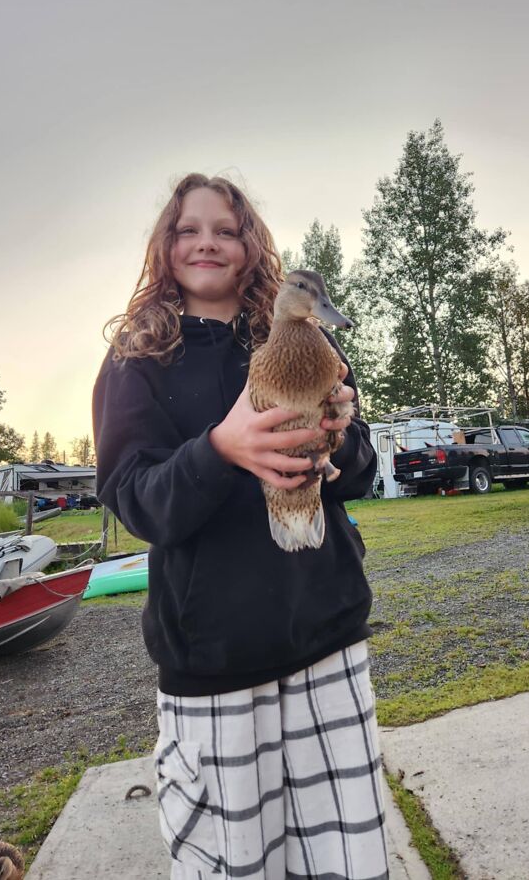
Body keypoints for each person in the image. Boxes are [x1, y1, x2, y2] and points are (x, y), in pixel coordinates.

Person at [93, 173, 388, 879]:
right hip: (216, 662)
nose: (208, 242)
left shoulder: (302, 339)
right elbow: (134, 500)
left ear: (250, 245)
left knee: (349, 858)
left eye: (226, 229)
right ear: (166, 245)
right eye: (189, 229)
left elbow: (365, 471)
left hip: (327, 638)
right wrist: (220, 449)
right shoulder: (137, 361)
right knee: (235, 865)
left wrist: (338, 439)